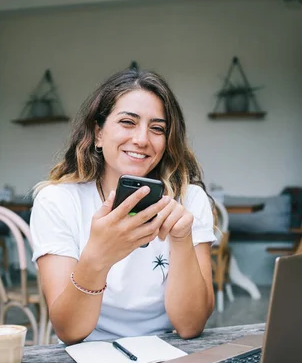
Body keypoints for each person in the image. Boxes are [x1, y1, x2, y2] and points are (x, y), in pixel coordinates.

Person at [30, 68, 217, 345]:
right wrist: (98, 256)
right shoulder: (57, 201)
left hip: (168, 349)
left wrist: (180, 240)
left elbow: (191, 326)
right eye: (128, 122)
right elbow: (69, 331)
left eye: (157, 128)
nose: (142, 139)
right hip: (87, 353)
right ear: (99, 134)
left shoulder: (189, 200)